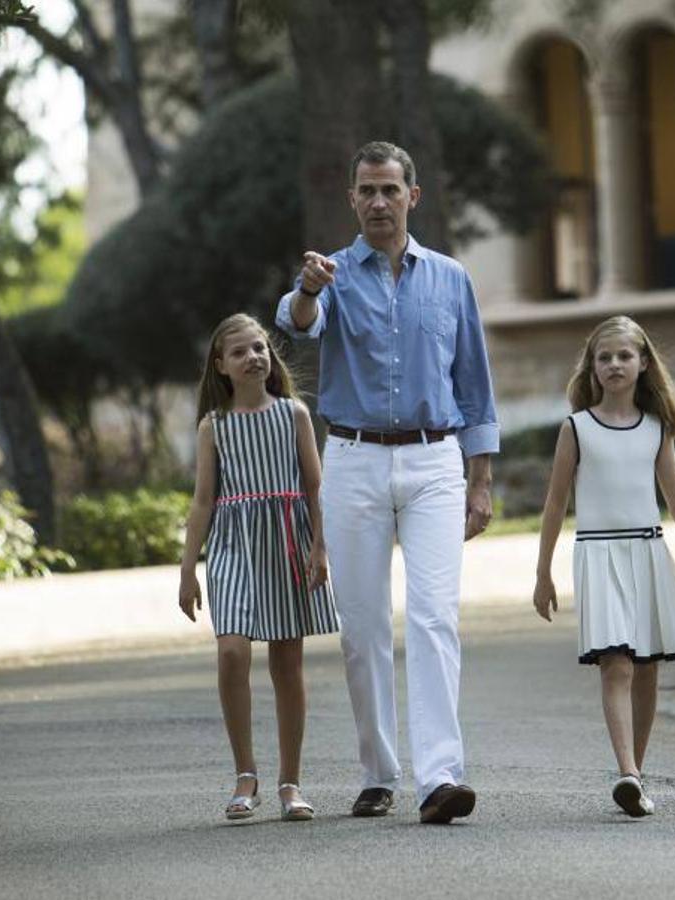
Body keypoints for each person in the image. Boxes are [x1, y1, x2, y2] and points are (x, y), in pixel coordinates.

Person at [275, 141, 498, 825]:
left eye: (389, 190)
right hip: (353, 460)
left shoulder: (450, 278)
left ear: (412, 196)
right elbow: (295, 323)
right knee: (364, 625)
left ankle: (439, 777)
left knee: (434, 618)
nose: (377, 202)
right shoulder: (331, 276)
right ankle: (377, 773)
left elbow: (473, 382)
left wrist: (479, 478)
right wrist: (309, 288)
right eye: (366, 191)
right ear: (351, 199)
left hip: (435, 462)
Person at [533, 315, 675, 817]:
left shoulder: (656, 427)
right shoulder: (576, 429)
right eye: (604, 357)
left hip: (647, 551)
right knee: (616, 663)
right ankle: (625, 769)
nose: (615, 364)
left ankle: (635, 777)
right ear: (593, 368)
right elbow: (555, 504)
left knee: (647, 667)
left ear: (644, 363)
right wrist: (543, 573)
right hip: (598, 554)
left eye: (624, 356)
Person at [178, 313, 338, 822]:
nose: (254, 357)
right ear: (221, 366)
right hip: (233, 546)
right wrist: (187, 570)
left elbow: (315, 487)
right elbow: (203, 502)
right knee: (231, 653)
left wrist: (321, 547)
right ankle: (245, 774)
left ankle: (290, 781)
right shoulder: (214, 427)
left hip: (288, 542)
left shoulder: (293, 414)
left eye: (261, 348)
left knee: (287, 665)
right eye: (241, 352)